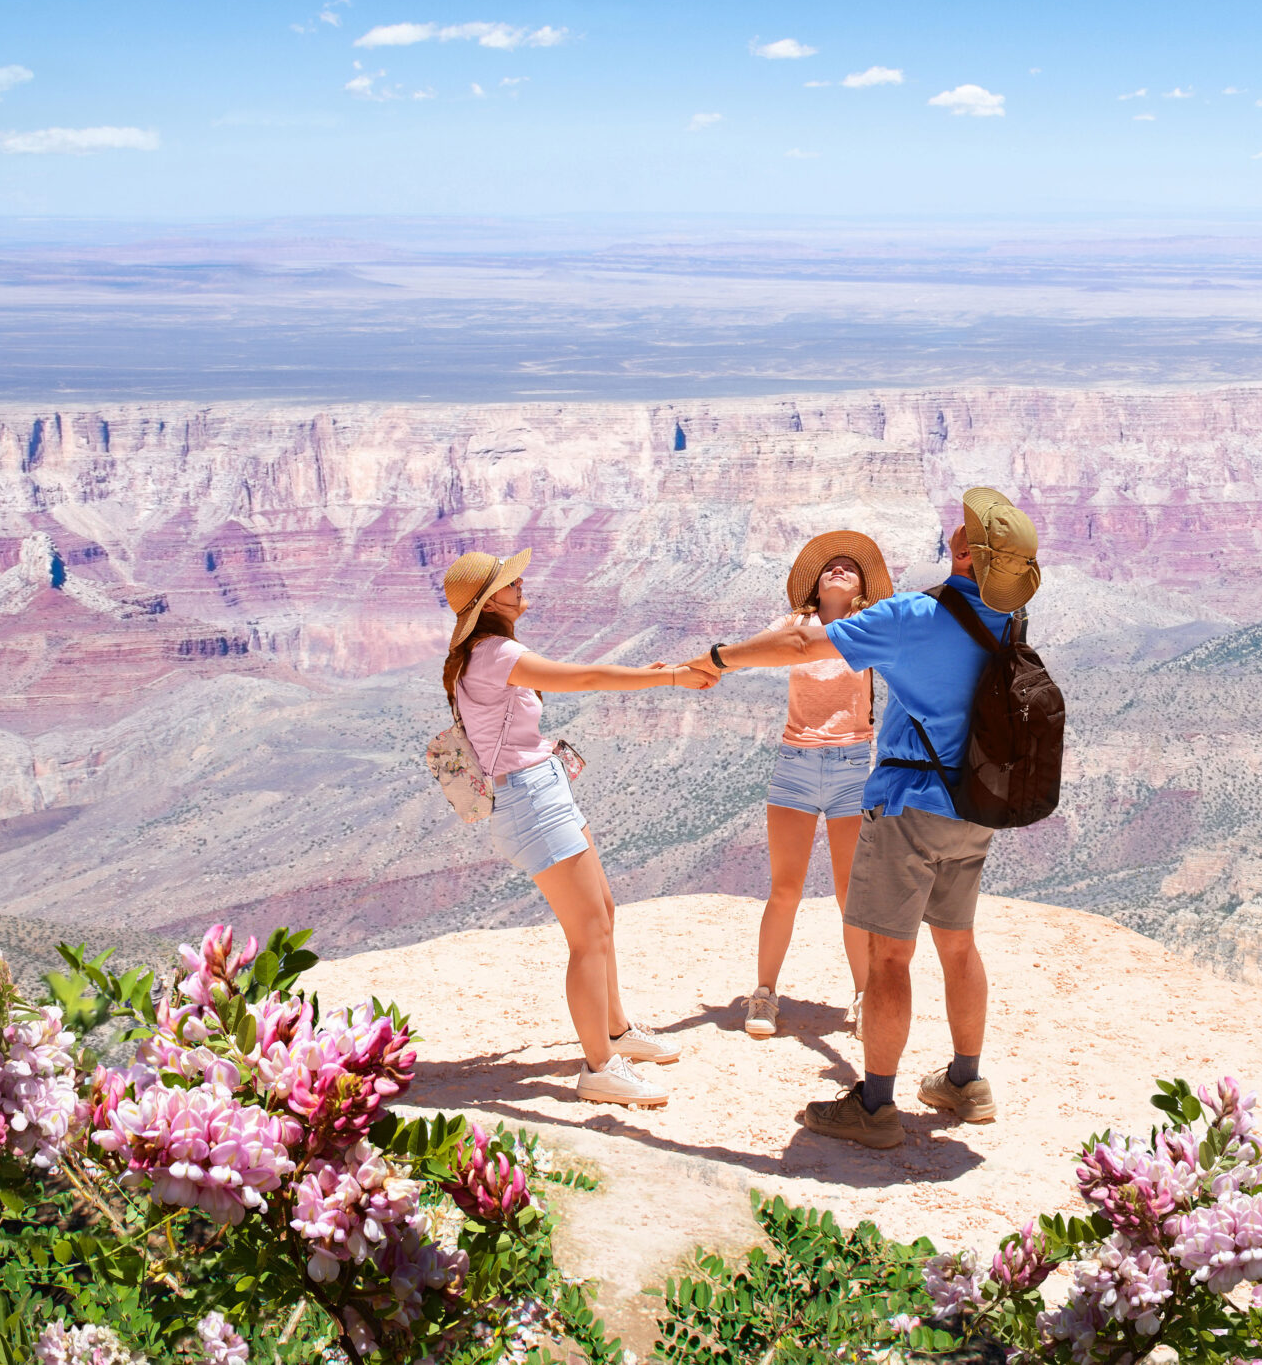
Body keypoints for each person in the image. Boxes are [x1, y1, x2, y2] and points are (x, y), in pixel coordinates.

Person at [699, 487, 1042, 1150]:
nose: (956, 528)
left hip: (911, 803)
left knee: (890, 954)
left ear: (969, 553)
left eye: (965, 529)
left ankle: (875, 1104)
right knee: (959, 943)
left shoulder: (918, 615)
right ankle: (966, 1082)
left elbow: (805, 645)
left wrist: (720, 658)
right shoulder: (1009, 618)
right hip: (975, 803)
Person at [441, 548, 712, 1107]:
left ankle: (615, 1030)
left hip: (546, 791)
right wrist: (674, 679)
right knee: (587, 934)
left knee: (604, 914)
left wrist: (654, 673)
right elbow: (584, 677)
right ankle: (598, 1068)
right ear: (490, 602)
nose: (521, 585)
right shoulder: (495, 652)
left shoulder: (484, 651)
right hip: (531, 802)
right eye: (510, 582)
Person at [743, 530, 892, 1041]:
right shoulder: (794, 627)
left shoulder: (870, 627)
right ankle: (763, 994)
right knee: (784, 889)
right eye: (831, 566)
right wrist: (705, 663)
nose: (838, 569)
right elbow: (749, 653)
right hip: (796, 763)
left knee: (852, 894)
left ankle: (866, 997)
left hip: (854, 767)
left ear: (862, 588)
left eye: (850, 567)